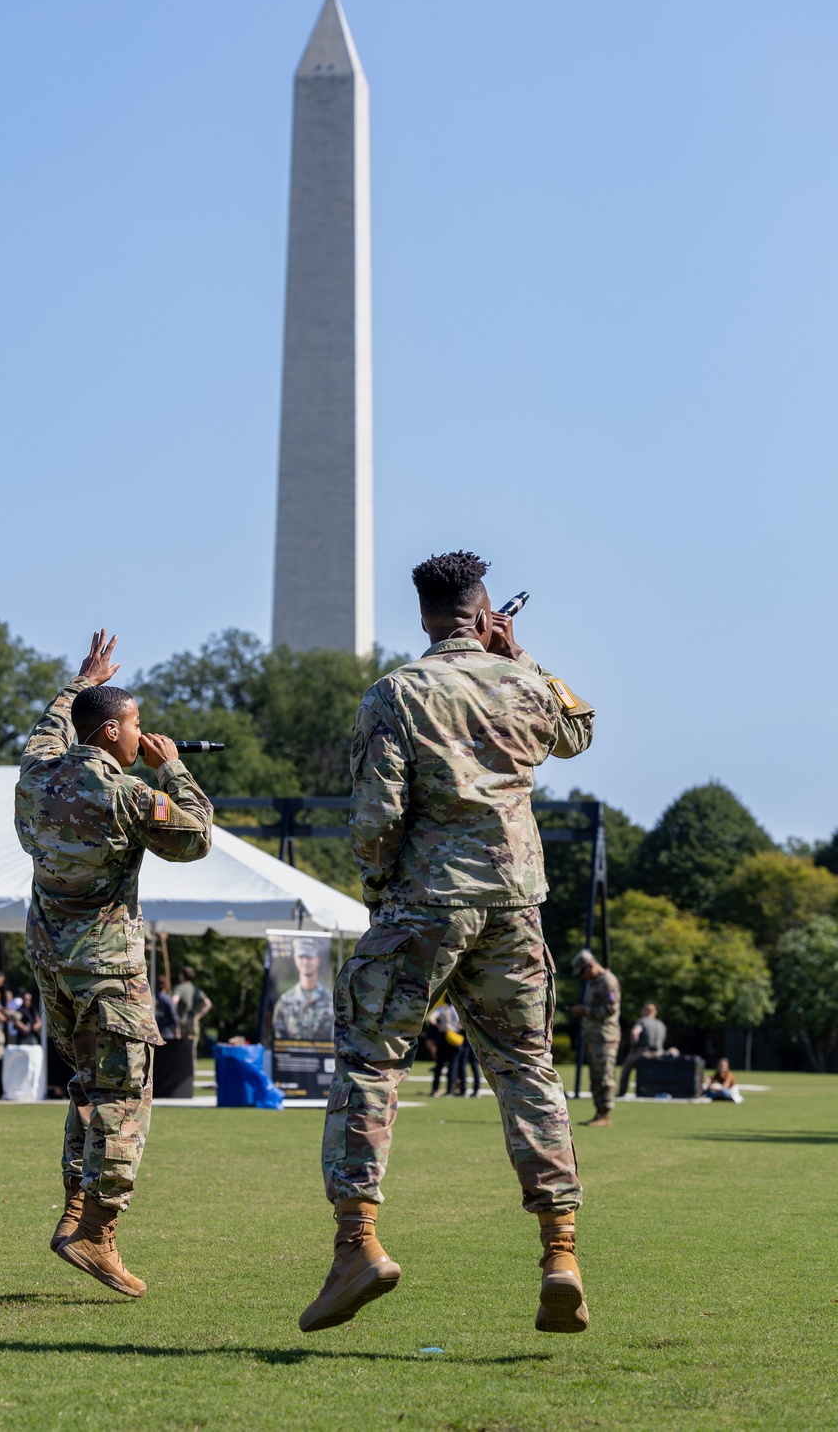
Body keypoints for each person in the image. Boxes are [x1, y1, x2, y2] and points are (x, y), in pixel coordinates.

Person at [301, 551, 594, 1336]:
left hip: (425, 904)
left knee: (370, 1062)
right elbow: (578, 732)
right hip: (513, 906)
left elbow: (375, 818)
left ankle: (357, 1244)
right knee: (528, 1070)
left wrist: (379, 891)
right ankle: (559, 1253)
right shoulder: (523, 682)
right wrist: (518, 655)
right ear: (484, 606)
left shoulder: (396, 693)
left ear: (426, 614)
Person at [14, 629, 213, 1297]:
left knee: (88, 1092)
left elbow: (50, 727)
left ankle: (75, 1211)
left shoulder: (36, 774)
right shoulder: (125, 794)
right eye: (136, 726)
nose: (141, 736)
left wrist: (79, 680)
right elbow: (196, 837)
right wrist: (174, 768)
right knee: (124, 1097)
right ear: (107, 735)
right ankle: (97, 1233)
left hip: (53, 965)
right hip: (107, 970)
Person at [570, 950, 621, 1125]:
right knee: (595, 1076)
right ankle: (599, 1112)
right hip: (593, 1036)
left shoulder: (608, 981)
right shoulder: (594, 982)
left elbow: (610, 1009)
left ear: (590, 966)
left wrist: (585, 1011)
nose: (583, 977)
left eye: (583, 972)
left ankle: (605, 1114)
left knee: (604, 1076)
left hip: (605, 1037)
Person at [272, 939, 334, 1042]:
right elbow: (280, 1041)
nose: (305, 962)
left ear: (317, 960)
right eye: (301, 957)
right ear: (295, 959)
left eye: (309, 957)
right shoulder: (285, 1002)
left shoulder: (330, 1001)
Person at [617, 1001, 668, 1097]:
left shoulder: (642, 1021)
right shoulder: (661, 1024)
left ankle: (622, 1092)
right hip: (659, 1053)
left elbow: (635, 1032)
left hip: (644, 1052)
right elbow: (663, 1039)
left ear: (645, 1011)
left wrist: (633, 1046)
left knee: (626, 1068)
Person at [173, 966, 212, 1060]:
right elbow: (208, 1004)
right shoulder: (196, 989)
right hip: (193, 1023)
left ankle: (181, 1073)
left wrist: (173, 1017)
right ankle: (191, 1073)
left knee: (180, 1051)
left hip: (182, 1023)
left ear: (182, 975)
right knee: (191, 1052)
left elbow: (174, 1002)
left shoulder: (179, 988)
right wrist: (197, 1017)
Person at [154, 975, 180, 1042]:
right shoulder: (168, 999)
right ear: (166, 985)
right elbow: (174, 1016)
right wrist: (177, 1031)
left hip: (153, 1033)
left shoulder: (151, 997)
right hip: (167, 1033)